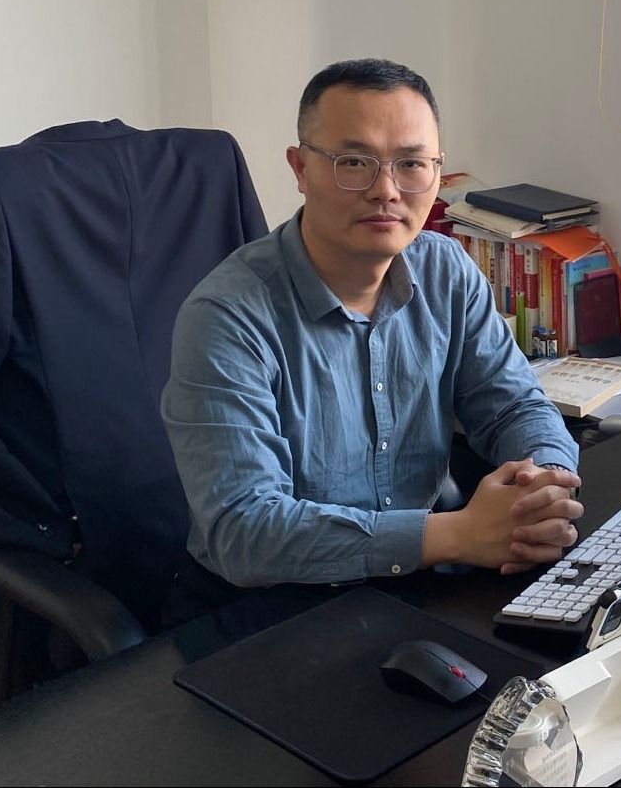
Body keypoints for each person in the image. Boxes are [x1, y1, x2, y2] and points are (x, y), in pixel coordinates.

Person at [162, 58, 582, 594]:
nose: (386, 190)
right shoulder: (227, 317)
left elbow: (515, 406)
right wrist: (457, 535)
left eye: (412, 164)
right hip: (278, 602)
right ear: (300, 168)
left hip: (423, 577)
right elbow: (245, 531)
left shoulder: (446, 271)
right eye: (355, 162)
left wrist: (544, 486)